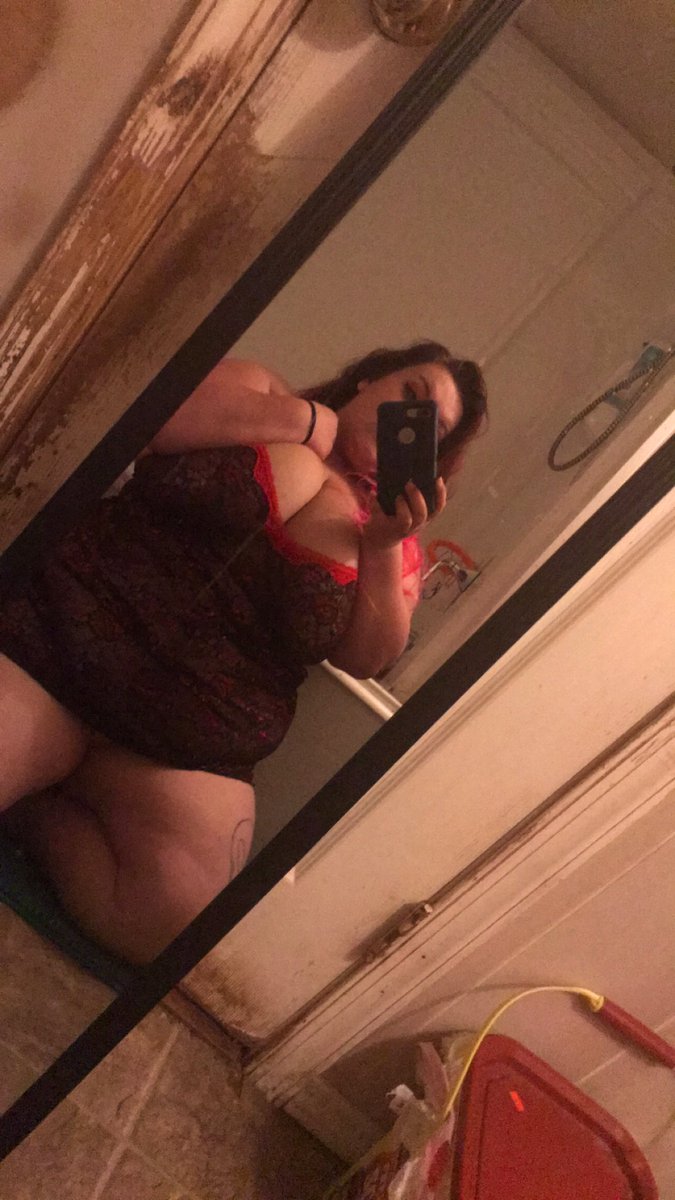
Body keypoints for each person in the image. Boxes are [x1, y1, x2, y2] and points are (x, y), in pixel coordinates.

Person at [0, 341, 487, 963]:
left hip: (187, 745)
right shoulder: (264, 391)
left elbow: (367, 659)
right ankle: (43, 761)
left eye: (431, 431)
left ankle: (38, 804)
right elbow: (155, 421)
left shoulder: (396, 544)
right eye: (410, 395)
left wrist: (385, 543)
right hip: (58, 649)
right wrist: (309, 423)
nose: (408, 424)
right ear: (369, 378)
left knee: (169, 926)